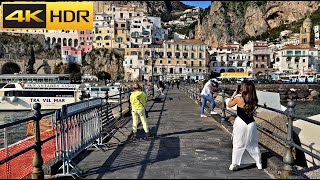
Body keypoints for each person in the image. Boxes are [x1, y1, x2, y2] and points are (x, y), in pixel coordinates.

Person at [227, 81, 262, 171]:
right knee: (253, 143)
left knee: (238, 143)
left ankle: (234, 164)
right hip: (251, 123)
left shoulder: (239, 98)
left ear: (244, 88)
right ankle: (258, 163)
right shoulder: (254, 99)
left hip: (240, 122)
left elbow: (229, 105)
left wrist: (234, 95)